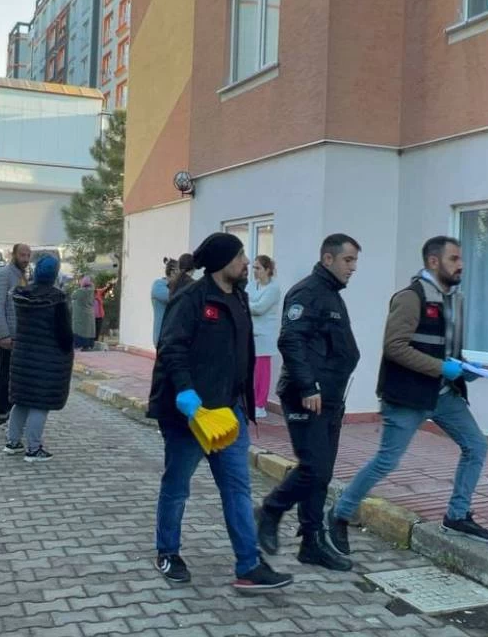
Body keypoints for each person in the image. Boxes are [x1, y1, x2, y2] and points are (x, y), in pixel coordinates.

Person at [327, 236, 488, 558]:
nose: (461, 265)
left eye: (461, 259)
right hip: (407, 397)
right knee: (387, 461)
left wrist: (466, 367)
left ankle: (457, 516)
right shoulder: (410, 298)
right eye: (454, 259)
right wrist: (442, 368)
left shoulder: (455, 300)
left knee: (476, 446)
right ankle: (339, 514)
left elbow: (447, 349)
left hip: (444, 395)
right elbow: (395, 347)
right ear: (433, 261)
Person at [149, 232, 292, 591]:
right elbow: (171, 347)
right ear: (222, 262)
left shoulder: (239, 297)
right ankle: (168, 552)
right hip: (191, 416)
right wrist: (185, 391)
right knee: (177, 486)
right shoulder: (191, 299)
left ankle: (249, 565)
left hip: (228, 414)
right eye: (241, 256)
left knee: (237, 489)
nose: (247, 262)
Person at [255, 236, 361, 572]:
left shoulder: (330, 293)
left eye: (355, 261)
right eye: (348, 260)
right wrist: (308, 385)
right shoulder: (307, 292)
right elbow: (290, 340)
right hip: (307, 395)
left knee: (322, 473)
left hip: (330, 397)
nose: (353, 268)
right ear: (328, 259)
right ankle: (270, 510)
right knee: (313, 467)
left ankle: (311, 543)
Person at [3, 255, 73, 462]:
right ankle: (33, 449)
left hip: (22, 356)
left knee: (21, 401)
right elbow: (64, 333)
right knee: (39, 404)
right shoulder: (57, 299)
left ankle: (12, 442)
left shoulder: (22, 295)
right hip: (47, 360)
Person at [0, 243, 31, 431]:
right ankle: (2, 416)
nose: (25, 259)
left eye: (28, 255)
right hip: (8, 337)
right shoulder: (4, 275)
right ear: (13, 255)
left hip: (21, 337)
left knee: (18, 378)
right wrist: (3, 334)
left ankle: (15, 416)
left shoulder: (23, 276)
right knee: (5, 376)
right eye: (22, 255)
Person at [246, 255, 281, 418]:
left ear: (267, 270)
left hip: (265, 336)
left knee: (262, 372)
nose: (254, 271)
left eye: (258, 268)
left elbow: (260, 309)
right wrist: (250, 304)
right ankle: (250, 401)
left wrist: (247, 304)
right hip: (250, 333)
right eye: (254, 267)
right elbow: (245, 301)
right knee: (250, 371)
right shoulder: (252, 285)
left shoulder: (274, 289)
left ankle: (260, 405)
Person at [151, 258, 179, 346]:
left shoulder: (175, 287)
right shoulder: (159, 285)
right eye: (180, 273)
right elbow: (174, 297)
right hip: (162, 338)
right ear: (172, 272)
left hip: (171, 337)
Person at [71, 276, 97, 350]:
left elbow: (73, 296)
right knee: (88, 330)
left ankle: (79, 345)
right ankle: (88, 345)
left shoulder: (80, 291)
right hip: (89, 314)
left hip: (80, 315)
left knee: (80, 330)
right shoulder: (92, 291)